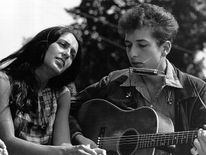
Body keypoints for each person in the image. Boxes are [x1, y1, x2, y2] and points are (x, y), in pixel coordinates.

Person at [69, 3, 206, 155]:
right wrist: (79, 137)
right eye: (128, 45)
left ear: (165, 48)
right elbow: (66, 109)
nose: (132, 53)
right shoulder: (115, 80)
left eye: (142, 45)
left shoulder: (197, 90)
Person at [0, 26, 106, 155]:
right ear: (44, 44)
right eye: (62, 45)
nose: (67, 54)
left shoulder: (62, 95)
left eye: (72, 55)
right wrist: (64, 151)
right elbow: (7, 141)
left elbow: (63, 144)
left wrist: (83, 152)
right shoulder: (5, 82)